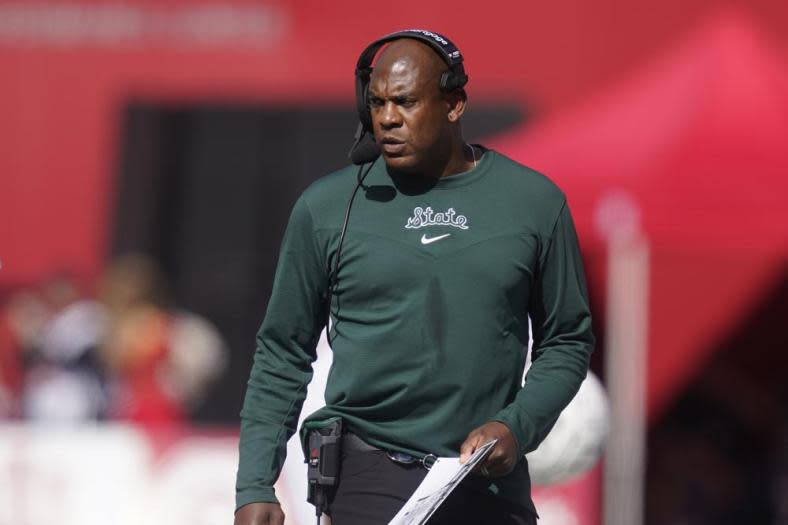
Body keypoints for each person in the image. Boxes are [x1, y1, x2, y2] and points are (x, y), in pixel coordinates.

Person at [235, 30, 594, 525]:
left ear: (454, 104)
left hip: (485, 481)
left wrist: (517, 426)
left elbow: (568, 340)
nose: (386, 119)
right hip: (365, 479)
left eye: (405, 101)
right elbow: (283, 351)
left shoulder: (534, 204)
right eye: (377, 102)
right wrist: (255, 482)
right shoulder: (326, 208)